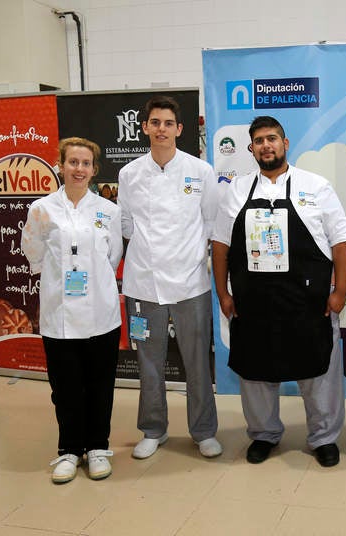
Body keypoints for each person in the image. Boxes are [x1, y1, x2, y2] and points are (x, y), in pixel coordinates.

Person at [212, 116, 346, 467]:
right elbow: (220, 245)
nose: (266, 146)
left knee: (317, 372)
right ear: (251, 149)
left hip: (308, 303)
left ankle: (323, 437)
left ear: (285, 143)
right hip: (253, 303)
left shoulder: (316, 187)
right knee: (256, 373)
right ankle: (263, 434)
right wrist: (223, 295)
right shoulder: (237, 190)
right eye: (258, 141)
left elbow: (341, 243)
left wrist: (340, 292)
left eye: (272, 138)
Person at [118, 95, 222, 459]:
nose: (161, 129)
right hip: (143, 283)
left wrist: (194, 257)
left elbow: (211, 221)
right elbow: (127, 225)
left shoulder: (201, 171)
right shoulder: (129, 174)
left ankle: (204, 431)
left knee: (196, 362)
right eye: (155, 122)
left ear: (179, 129)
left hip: (190, 281)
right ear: (144, 127)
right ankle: (153, 429)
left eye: (168, 123)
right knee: (149, 362)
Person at [21, 137, 123, 483]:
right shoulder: (42, 209)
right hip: (59, 315)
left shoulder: (108, 210)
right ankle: (68, 450)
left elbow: (112, 257)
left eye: (86, 163)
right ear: (60, 165)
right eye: (73, 162)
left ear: (95, 170)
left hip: (101, 314)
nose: (79, 169)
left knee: (100, 384)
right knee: (64, 387)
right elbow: (33, 253)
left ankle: (97, 448)